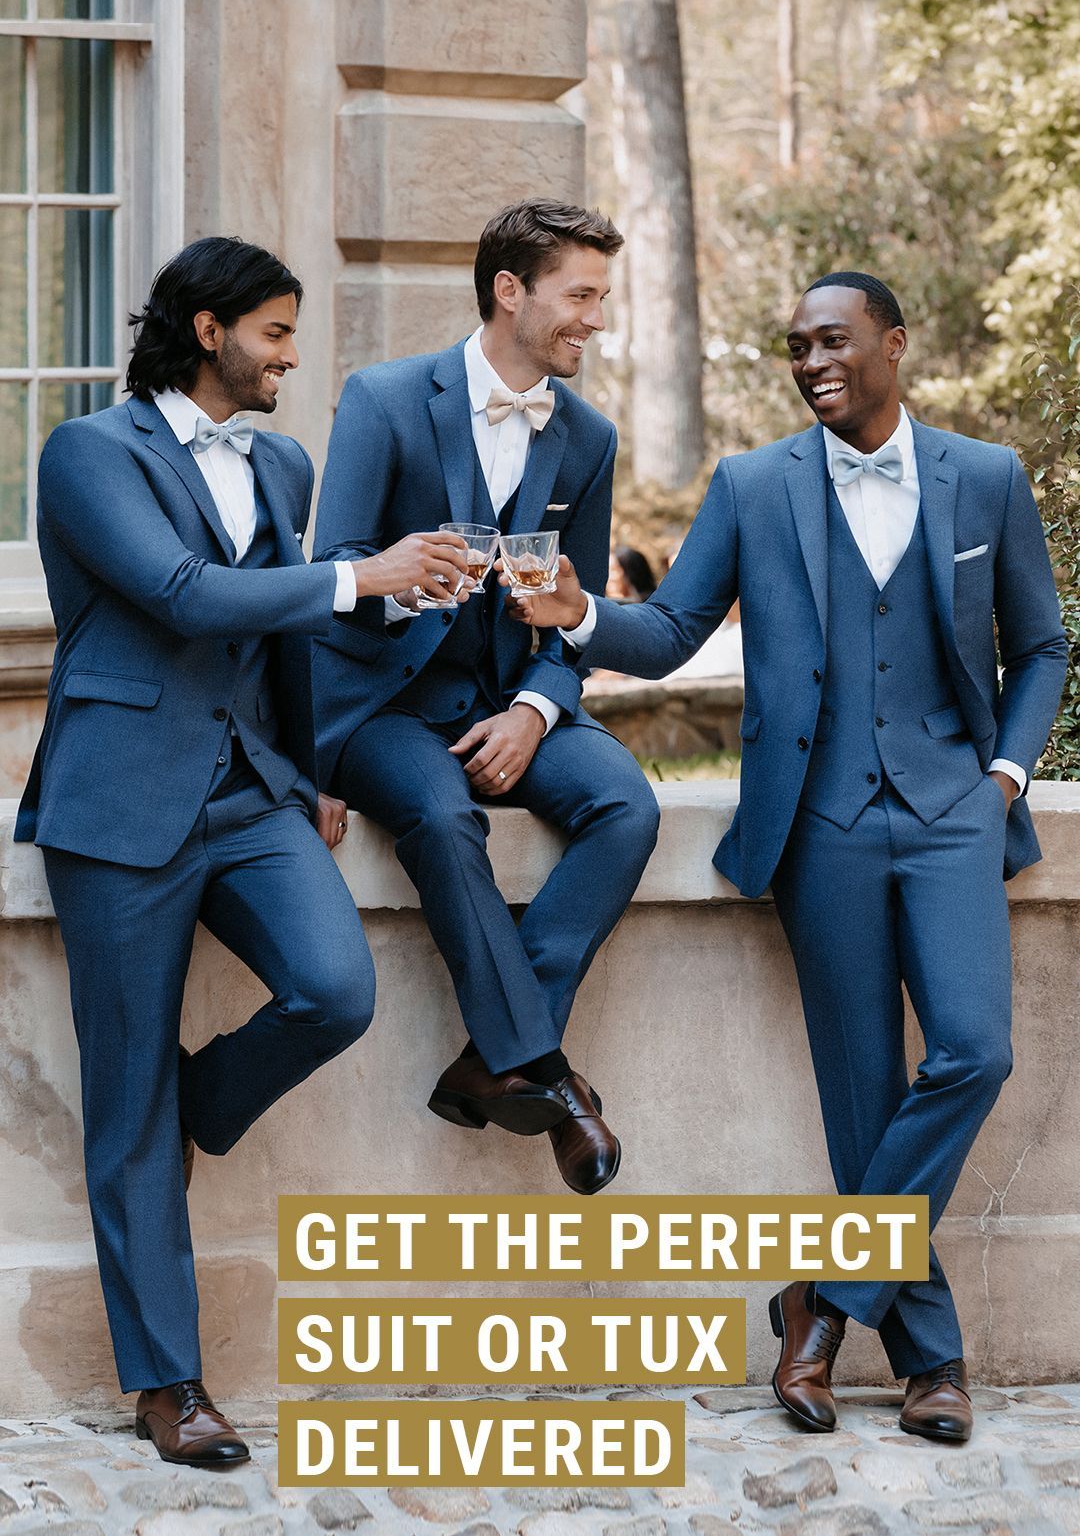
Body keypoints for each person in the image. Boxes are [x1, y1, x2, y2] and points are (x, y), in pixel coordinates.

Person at [508, 270, 1067, 1442]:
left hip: (956, 812)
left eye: (834, 341)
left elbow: (1042, 648)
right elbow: (672, 630)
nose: (813, 362)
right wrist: (580, 615)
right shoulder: (754, 486)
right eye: (797, 347)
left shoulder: (985, 476)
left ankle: (824, 1300)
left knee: (974, 1052)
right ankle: (931, 1361)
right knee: (862, 1094)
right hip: (822, 825)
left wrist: (1006, 777)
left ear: (894, 343)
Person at [16, 236, 469, 1466]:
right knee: (124, 1100)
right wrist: (357, 576)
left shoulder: (282, 461)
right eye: (275, 332)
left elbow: (281, 640)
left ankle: (191, 1104)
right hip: (120, 803)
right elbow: (182, 594)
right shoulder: (88, 453)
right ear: (208, 331)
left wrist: (310, 770)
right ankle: (171, 1385)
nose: (291, 356)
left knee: (336, 989)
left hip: (253, 797)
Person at [312, 200, 660, 1195]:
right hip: (382, 704)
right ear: (510, 290)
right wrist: (402, 580)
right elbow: (331, 573)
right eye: (580, 296)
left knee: (626, 804)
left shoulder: (588, 438)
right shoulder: (383, 400)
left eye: (602, 297)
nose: (595, 319)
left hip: (510, 699)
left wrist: (535, 712)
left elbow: (568, 616)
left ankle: (495, 1056)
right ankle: (552, 1079)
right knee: (440, 812)